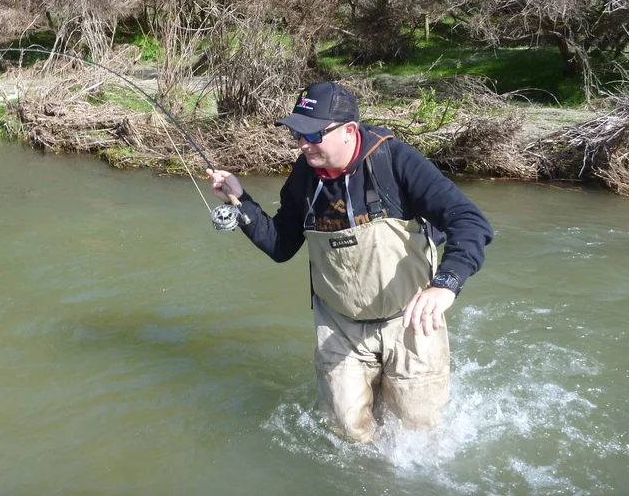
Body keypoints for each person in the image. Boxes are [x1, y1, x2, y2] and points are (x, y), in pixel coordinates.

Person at [207, 81, 493, 442]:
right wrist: (241, 200)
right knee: (348, 436)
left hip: (410, 322)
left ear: (349, 131)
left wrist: (445, 285)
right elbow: (280, 245)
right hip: (339, 326)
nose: (302, 143)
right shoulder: (303, 177)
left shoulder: (396, 162)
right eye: (296, 133)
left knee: (420, 437)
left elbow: (470, 221)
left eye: (312, 134)